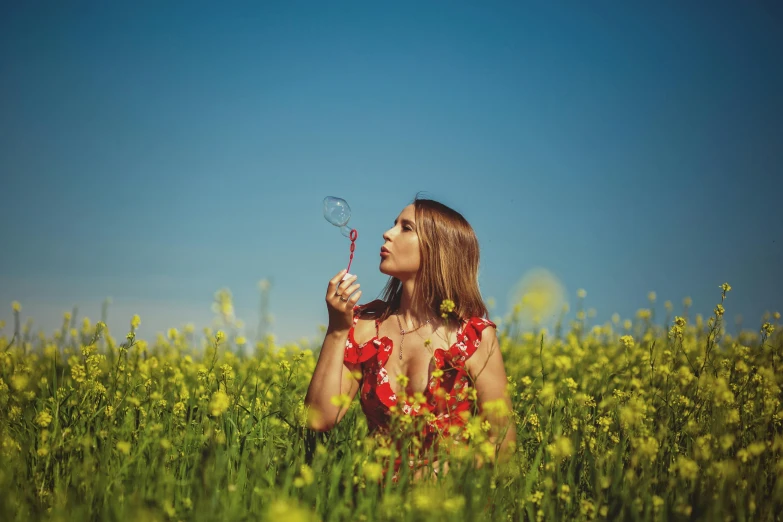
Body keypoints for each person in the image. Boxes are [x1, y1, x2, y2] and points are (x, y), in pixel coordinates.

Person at [304, 196, 516, 480]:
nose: (387, 233)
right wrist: (337, 330)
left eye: (405, 228)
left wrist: (445, 475)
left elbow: (503, 444)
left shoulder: (473, 336)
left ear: (438, 249)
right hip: (373, 504)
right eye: (394, 224)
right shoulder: (365, 327)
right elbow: (319, 418)